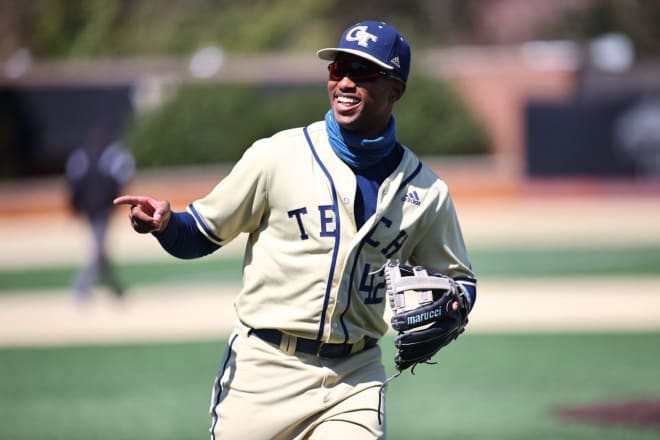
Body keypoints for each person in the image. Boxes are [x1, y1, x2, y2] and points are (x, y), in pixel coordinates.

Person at [114, 20, 476, 439]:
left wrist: (453, 306)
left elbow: (459, 281)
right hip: (263, 371)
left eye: (362, 73)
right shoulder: (277, 156)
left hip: (354, 378)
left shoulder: (426, 191)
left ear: (396, 89)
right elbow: (201, 231)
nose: (344, 82)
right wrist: (165, 223)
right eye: (337, 69)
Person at [66, 123, 135, 303]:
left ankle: (116, 290)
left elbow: (119, 182)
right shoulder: (91, 157)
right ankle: (81, 289)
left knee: (99, 248)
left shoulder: (100, 157)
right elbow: (74, 184)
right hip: (95, 209)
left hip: (100, 209)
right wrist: (75, 206)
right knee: (98, 251)